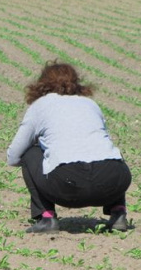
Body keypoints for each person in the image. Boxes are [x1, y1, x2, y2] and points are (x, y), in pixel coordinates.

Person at [7, 61, 131, 233]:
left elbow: (14, 156)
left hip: (67, 186)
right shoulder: (90, 104)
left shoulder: (40, 106)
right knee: (108, 153)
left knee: (30, 153)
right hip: (114, 182)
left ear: (42, 83)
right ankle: (118, 214)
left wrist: (46, 159)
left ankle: (47, 218)